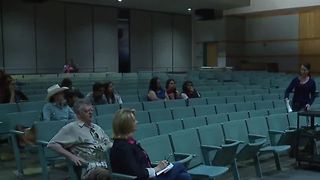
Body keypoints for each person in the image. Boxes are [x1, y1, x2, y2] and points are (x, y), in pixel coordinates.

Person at [110, 109, 191, 180]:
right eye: (134, 120)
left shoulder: (129, 142)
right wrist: (157, 168)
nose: (137, 122)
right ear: (126, 124)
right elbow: (136, 173)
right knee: (179, 166)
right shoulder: (122, 147)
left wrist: (159, 168)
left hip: (149, 176)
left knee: (183, 177)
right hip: (144, 178)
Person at [48, 99, 112, 180]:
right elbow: (52, 144)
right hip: (90, 168)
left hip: (107, 163)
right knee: (108, 175)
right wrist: (71, 156)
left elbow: (109, 144)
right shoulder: (72, 128)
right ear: (78, 114)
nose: (91, 113)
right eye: (86, 111)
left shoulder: (97, 128)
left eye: (91, 110)